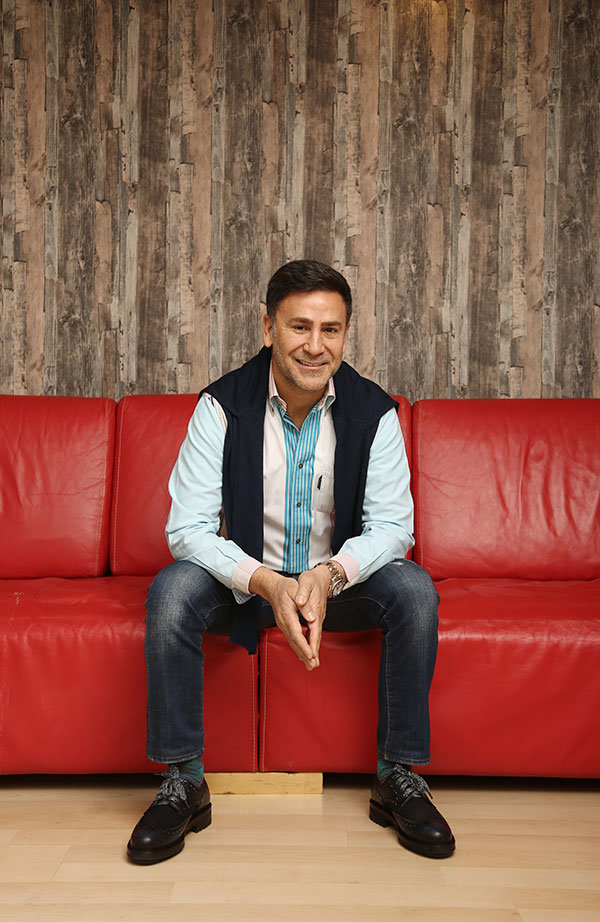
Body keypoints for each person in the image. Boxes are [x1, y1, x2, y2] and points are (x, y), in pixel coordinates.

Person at [127, 259, 455, 864]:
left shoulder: (376, 412)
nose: (315, 345)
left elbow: (393, 528)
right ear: (268, 329)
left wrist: (326, 577)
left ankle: (397, 776)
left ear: (345, 335)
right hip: (245, 583)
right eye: (299, 327)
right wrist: (265, 582)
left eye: (330, 329)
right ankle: (184, 781)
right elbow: (186, 530)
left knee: (413, 590)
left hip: (335, 586)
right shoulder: (220, 406)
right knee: (171, 593)